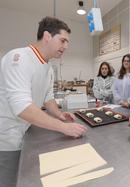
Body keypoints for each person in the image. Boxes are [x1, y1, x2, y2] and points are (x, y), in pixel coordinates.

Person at [0, 17, 87, 187]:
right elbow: (22, 106)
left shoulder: (47, 67)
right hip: (6, 139)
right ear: (47, 36)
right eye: (63, 41)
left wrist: (59, 114)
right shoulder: (19, 58)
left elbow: (48, 99)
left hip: (24, 132)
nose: (66, 47)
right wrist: (63, 127)